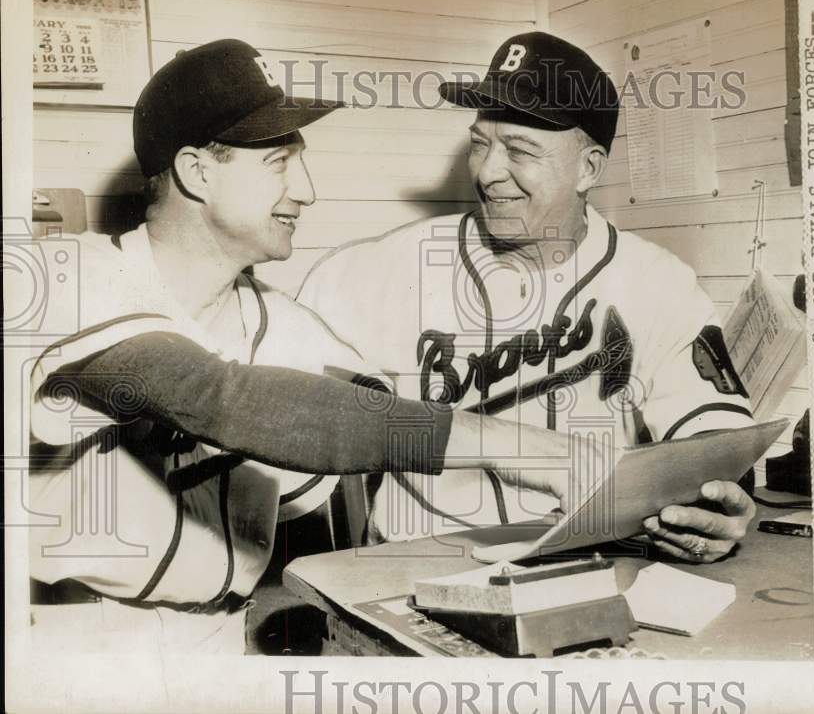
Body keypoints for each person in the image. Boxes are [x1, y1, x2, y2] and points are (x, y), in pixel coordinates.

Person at [27, 38, 599, 654]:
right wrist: (533, 451)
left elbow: (375, 416)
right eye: (279, 162)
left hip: (220, 636)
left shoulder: (283, 322)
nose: (307, 190)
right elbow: (219, 397)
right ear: (197, 172)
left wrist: (624, 488)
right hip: (78, 640)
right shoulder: (66, 278)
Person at [298, 31, 757, 563]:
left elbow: (715, 438)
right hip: (415, 561)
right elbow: (279, 405)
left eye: (519, 150)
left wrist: (714, 509)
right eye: (480, 144)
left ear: (588, 168)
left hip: (595, 559)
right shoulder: (378, 269)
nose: (488, 173)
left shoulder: (657, 283)